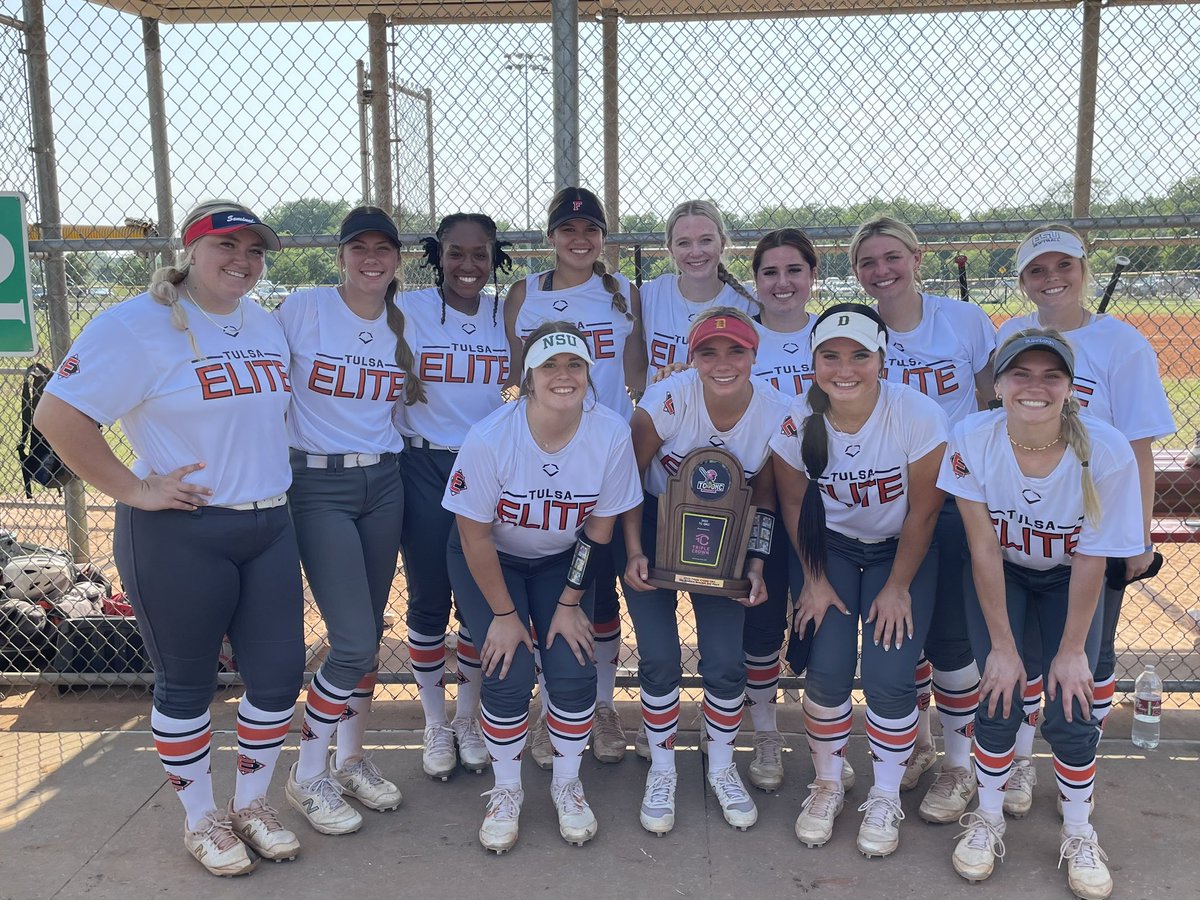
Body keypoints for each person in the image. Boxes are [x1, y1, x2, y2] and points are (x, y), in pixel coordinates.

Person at [34, 200, 303, 876]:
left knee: (276, 678)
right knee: (186, 683)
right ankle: (199, 817)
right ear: (190, 251)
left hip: (269, 524)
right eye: (226, 247)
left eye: (254, 250)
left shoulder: (263, 322)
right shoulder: (137, 325)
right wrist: (133, 488)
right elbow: (58, 415)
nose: (242, 261)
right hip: (180, 532)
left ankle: (250, 802)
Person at [939, 329, 1141, 900]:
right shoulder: (972, 436)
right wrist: (1003, 648)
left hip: (1068, 579)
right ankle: (989, 818)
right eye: (1020, 374)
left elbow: (1093, 557)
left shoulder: (1104, 448)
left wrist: (1072, 650)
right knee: (1000, 692)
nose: (1035, 386)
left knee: (1074, 697)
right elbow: (982, 548)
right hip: (1002, 572)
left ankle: (1078, 831)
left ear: (1071, 388)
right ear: (997, 384)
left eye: (1051, 375)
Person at [443, 322, 643, 852]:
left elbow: (600, 524)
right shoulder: (491, 436)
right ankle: (506, 790)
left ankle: (567, 783)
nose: (563, 376)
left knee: (573, 667)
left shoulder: (609, 432)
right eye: (549, 366)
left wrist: (570, 602)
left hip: (562, 559)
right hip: (489, 560)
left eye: (573, 364)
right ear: (528, 377)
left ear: (589, 372)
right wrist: (507, 618)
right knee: (506, 670)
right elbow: (473, 535)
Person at [995, 226, 1173, 816]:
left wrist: (1138, 533)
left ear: (1082, 269)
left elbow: (1140, 446)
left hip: (1095, 526)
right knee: (1022, 649)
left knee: (1088, 656)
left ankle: (1077, 767)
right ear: (1022, 280)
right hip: (1024, 521)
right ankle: (1019, 763)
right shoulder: (1013, 336)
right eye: (1037, 270)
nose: (1052, 279)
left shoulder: (1121, 343)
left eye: (1062, 266)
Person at [772, 303, 947, 858]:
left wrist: (898, 587)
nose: (844, 368)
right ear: (814, 359)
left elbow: (922, 513)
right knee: (826, 667)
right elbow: (795, 505)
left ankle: (886, 794)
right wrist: (814, 582)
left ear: (881, 358)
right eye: (831, 355)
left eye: (859, 355)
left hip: (902, 551)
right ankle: (826, 782)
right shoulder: (797, 417)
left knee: (889, 670)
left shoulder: (916, 413)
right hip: (832, 552)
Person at [276, 207, 421, 835]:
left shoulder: (403, 319)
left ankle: (351, 758)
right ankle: (308, 774)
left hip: (384, 480)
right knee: (355, 638)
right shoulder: (304, 309)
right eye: (358, 248)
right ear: (340, 256)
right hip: (317, 483)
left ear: (397, 259)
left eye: (383, 249)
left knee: (365, 627)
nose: (371, 259)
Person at [850, 215, 997, 823]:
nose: (881, 271)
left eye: (892, 257)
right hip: (892, 504)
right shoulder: (856, 333)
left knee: (952, 638)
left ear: (918, 256)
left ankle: (961, 765)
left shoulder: (962, 322)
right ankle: (918, 744)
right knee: (900, 636)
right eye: (868, 263)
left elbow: (993, 404)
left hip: (957, 498)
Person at [623, 307, 791, 835]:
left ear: (754, 354)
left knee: (724, 661)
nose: (722, 363)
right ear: (690, 356)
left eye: (735, 350)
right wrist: (633, 550)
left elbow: (764, 498)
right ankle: (664, 771)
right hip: (654, 525)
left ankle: (720, 767)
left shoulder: (775, 412)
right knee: (659, 658)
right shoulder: (670, 398)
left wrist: (758, 564)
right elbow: (626, 477)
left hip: (730, 536)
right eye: (708, 352)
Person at [504, 186, 646, 766]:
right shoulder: (525, 293)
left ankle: (603, 705)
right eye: (567, 229)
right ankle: (549, 708)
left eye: (591, 230)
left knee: (600, 591)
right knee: (548, 592)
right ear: (551, 238)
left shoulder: (623, 294)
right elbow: (514, 379)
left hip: (602, 454)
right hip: (541, 454)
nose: (580, 239)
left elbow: (635, 378)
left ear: (604, 238)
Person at [397, 213, 513, 780]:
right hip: (422, 462)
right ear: (436, 256)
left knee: (476, 599)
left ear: (496, 258)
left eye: (480, 255)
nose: (468, 266)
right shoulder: (409, 310)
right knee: (426, 598)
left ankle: (468, 718)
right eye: (456, 254)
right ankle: (433, 721)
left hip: (486, 468)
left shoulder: (504, 313)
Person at [741, 228, 853, 793]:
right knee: (761, 622)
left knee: (822, 621)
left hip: (829, 502)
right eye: (769, 272)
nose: (782, 283)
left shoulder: (833, 337)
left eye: (794, 271)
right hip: (755, 497)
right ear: (754, 279)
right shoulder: (741, 338)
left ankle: (825, 745)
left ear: (813, 274)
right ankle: (765, 733)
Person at [639, 199, 757, 383]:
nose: (695, 252)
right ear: (671, 248)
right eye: (684, 243)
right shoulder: (651, 294)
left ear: (722, 243)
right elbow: (634, 369)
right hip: (662, 409)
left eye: (706, 240)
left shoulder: (747, 303)